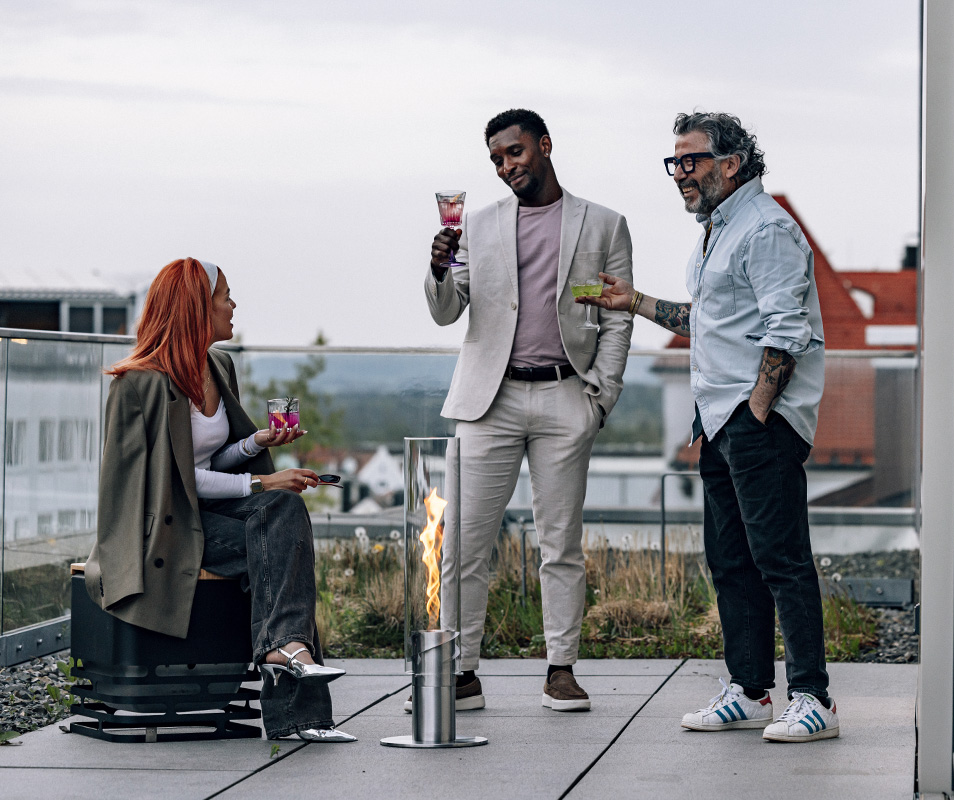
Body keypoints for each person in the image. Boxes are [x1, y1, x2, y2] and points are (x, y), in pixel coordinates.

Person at [576, 112, 838, 742]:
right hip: (719, 424)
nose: (679, 174)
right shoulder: (719, 231)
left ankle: (814, 699)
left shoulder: (769, 229)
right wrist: (633, 301)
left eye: (689, 161)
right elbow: (708, 319)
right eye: (674, 162)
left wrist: (756, 410)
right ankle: (749, 690)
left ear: (732, 163)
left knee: (781, 560)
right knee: (731, 562)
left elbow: (787, 330)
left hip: (757, 424)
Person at [83, 257, 356, 743]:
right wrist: (262, 484)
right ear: (195, 309)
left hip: (211, 518)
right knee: (277, 517)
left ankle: (285, 648)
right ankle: (301, 709)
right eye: (224, 296)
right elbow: (175, 480)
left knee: (286, 510)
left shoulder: (218, 366)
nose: (233, 305)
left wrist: (255, 448)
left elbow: (210, 460)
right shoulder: (139, 384)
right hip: (168, 528)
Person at [421, 108, 634, 712]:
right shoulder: (478, 226)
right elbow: (445, 311)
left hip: (568, 396)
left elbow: (616, 317)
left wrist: (602, 396)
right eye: (495, 160)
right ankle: (460, 672)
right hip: (489, 400)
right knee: (463, 542)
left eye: (513, 153)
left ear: (543, 145)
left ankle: (561, 668)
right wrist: (439, 267)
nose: (505, 166)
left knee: (561, 543)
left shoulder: (604, 224)